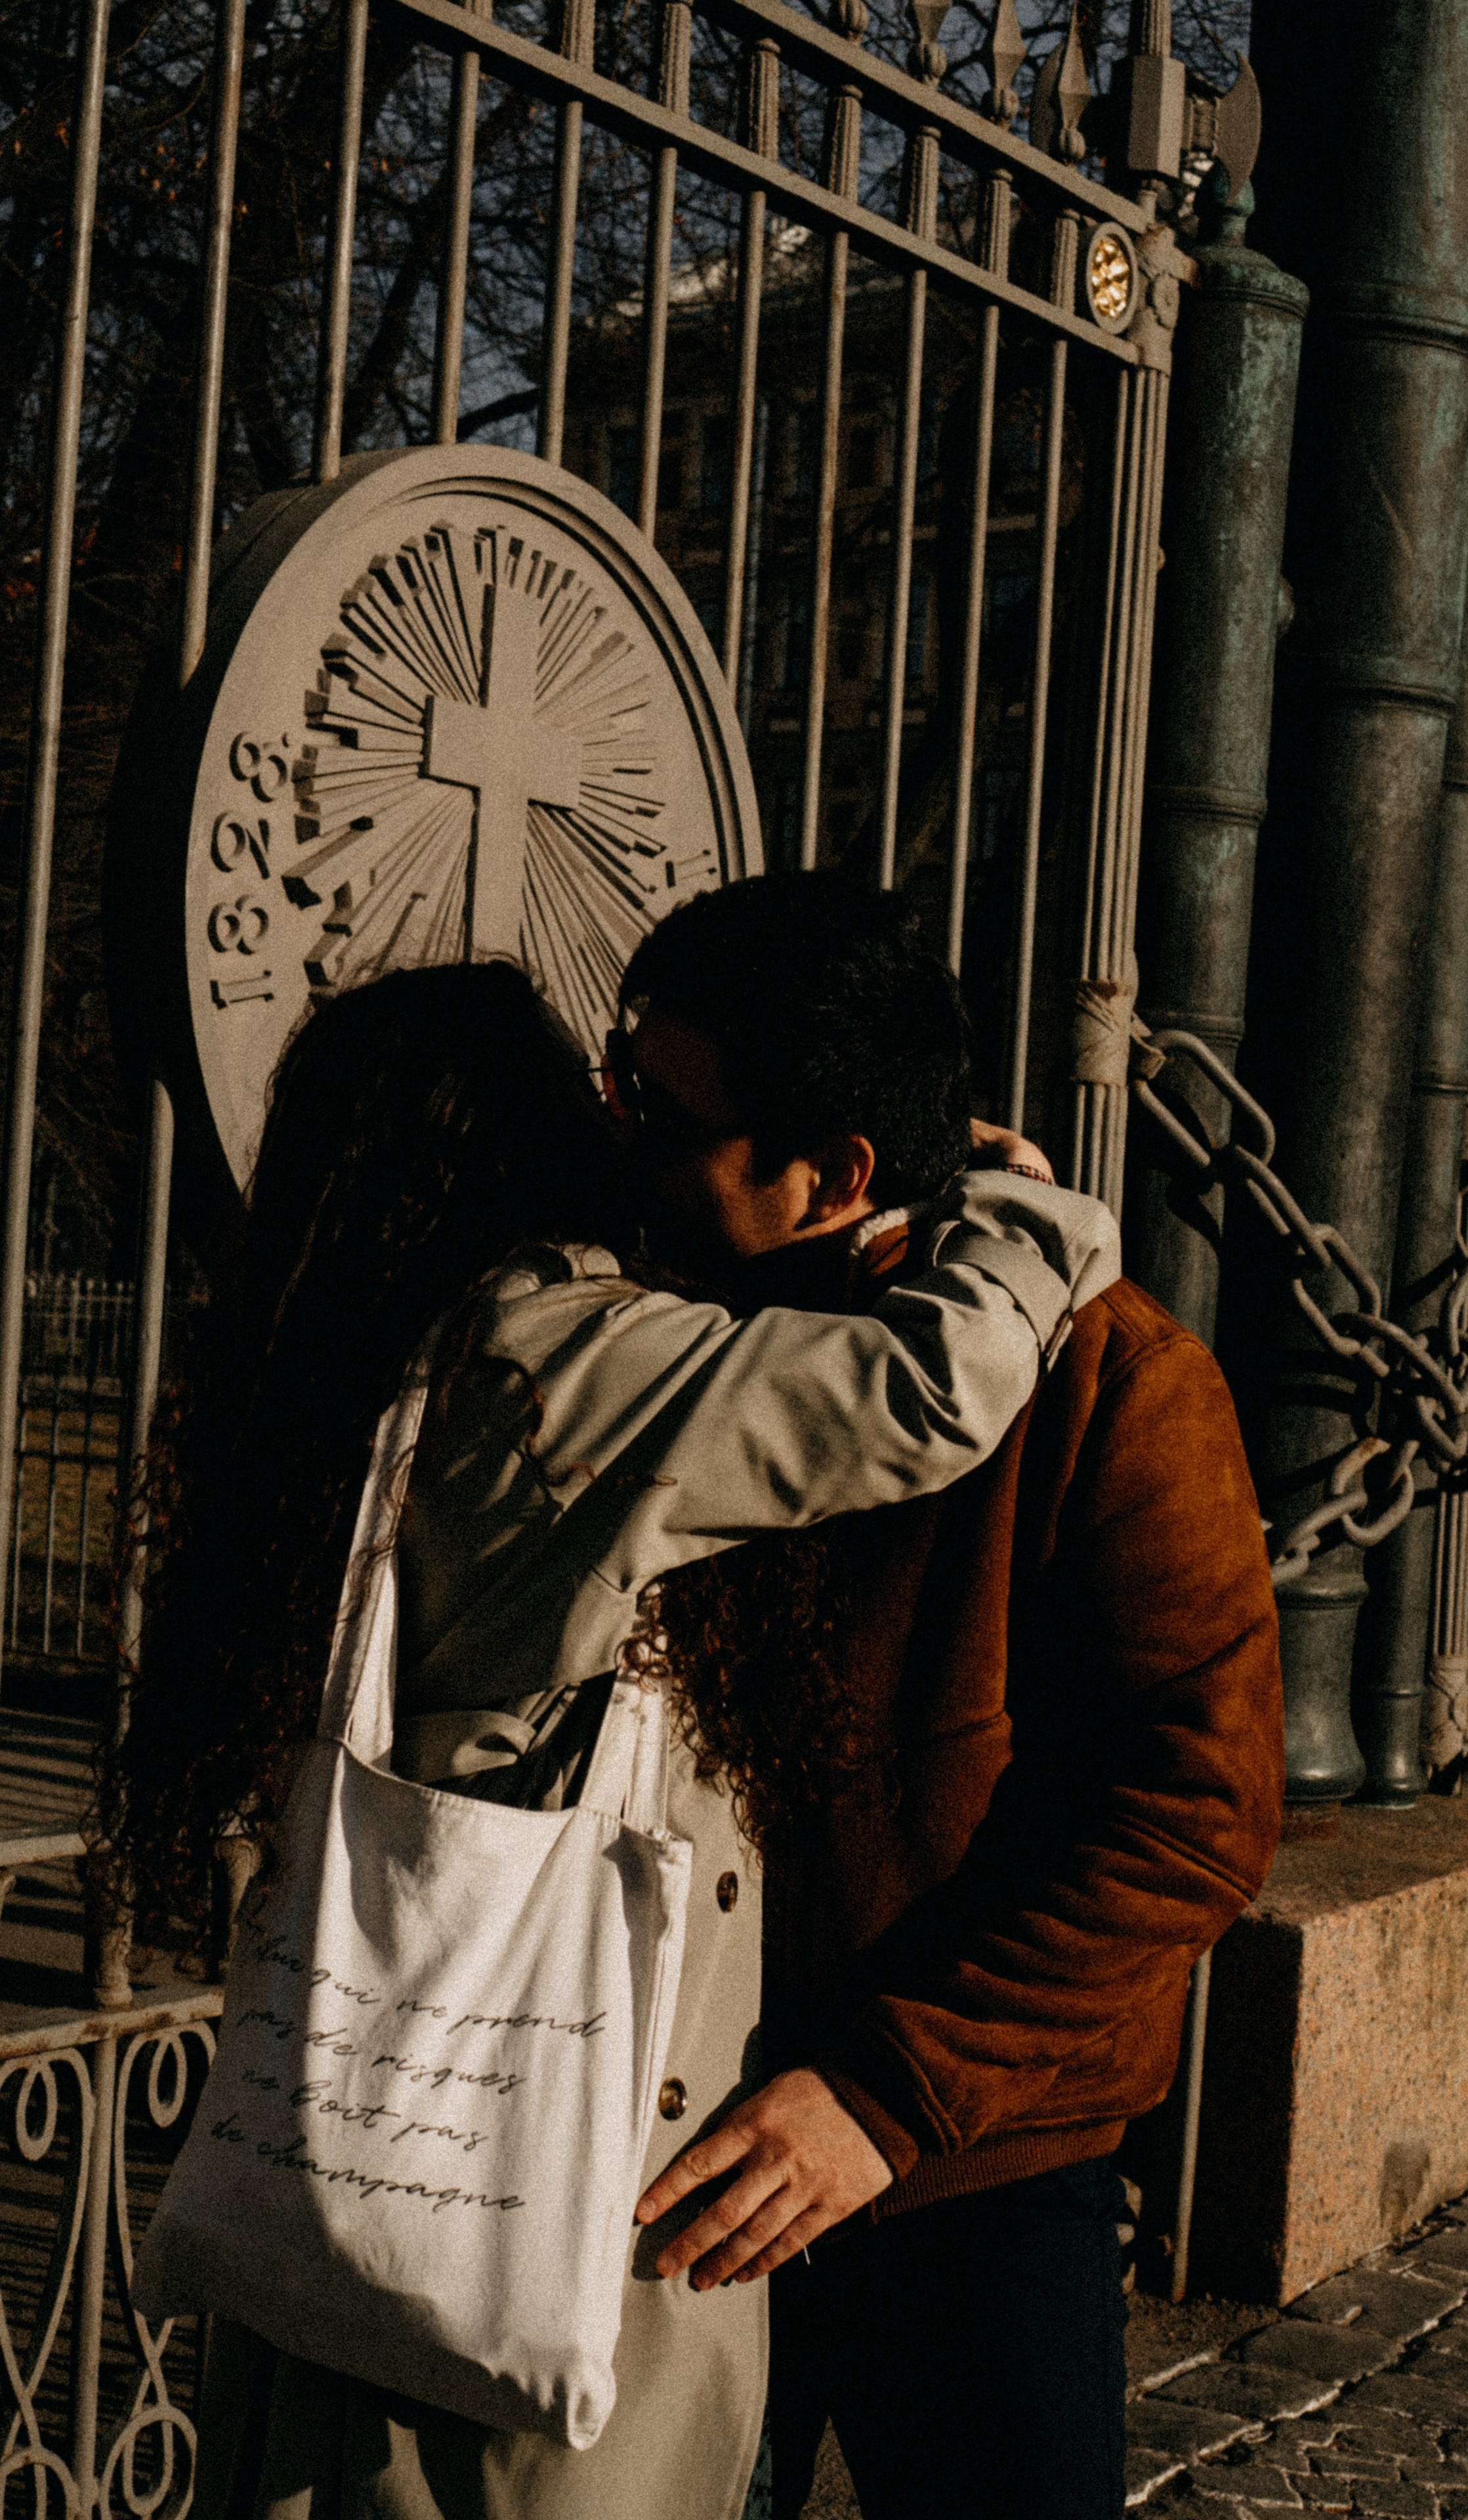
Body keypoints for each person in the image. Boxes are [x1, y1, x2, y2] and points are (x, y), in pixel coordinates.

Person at [110, 956, 1118, 2520]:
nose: (622, 1129)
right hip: (525, 2200)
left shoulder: (355, 1367)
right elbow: (932, 1384)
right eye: (609, 1102)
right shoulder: (548, 1354)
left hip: (357, 2180)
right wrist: (1020, 1200)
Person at [609, 874, 1286, 2520]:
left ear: (832, 1174)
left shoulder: (1115, 1382)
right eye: (620, 1078)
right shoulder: (635, 1340)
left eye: (666, 1110)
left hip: (973, 2171)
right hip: (654, 2138)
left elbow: (1195, 1814)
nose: (618, 1133)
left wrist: (883, 2094)